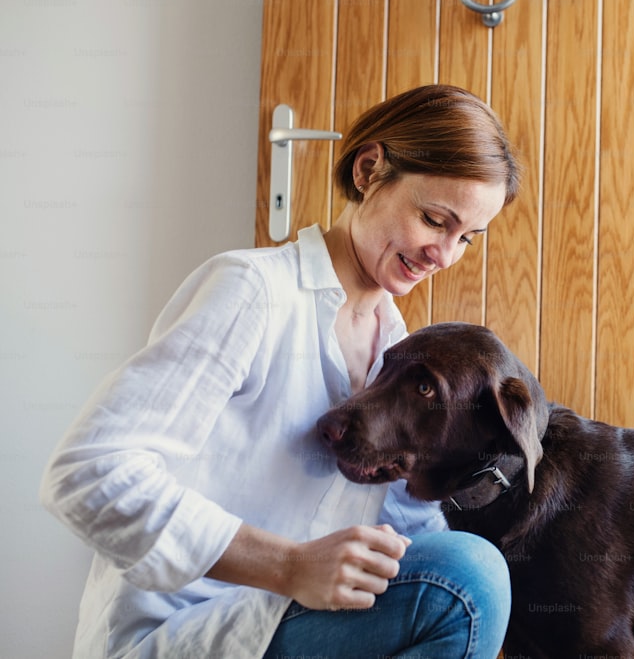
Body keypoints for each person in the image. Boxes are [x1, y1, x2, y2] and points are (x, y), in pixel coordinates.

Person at [39, 84, 520, 659]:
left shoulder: (399, 350)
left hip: (288, 624)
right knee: (468, 578)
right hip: (180, 635)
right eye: (434, 218)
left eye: (466, 237)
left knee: (480, 568)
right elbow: (87, 473)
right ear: (369, 169)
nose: (444, 254)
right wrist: (289, 565)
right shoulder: (252, 291)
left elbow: (408, 538)